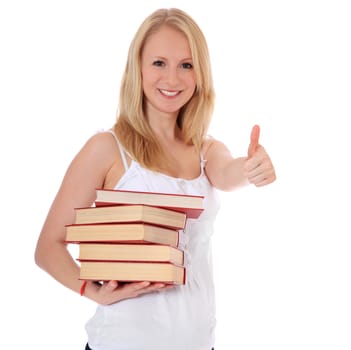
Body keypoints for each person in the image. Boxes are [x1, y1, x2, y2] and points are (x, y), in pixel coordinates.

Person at [34, 7, 276, 350]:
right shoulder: (107, 148)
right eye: (159, 63)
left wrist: (251, 169)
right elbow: (47, 248)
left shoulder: (207, 150)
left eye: (186, 65)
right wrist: (92, 291)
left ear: (200, 74)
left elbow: (229, 173)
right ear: (139, 68)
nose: (172, 79)